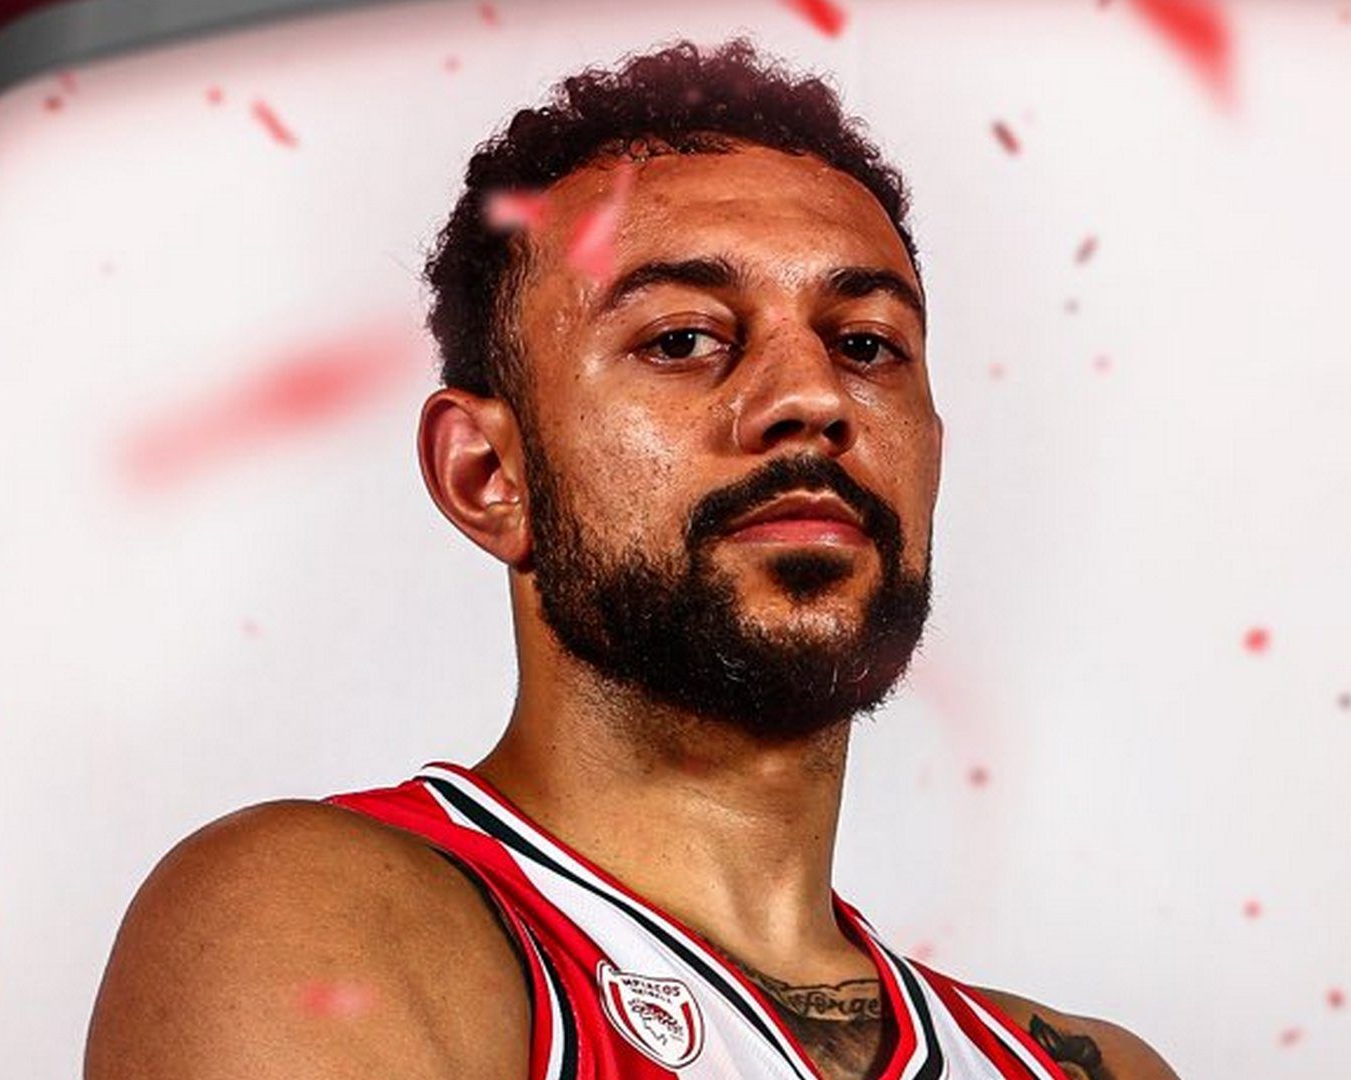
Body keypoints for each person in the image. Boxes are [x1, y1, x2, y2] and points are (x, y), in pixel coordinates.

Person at [85, 37, 1181, 1080]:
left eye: (863, 345)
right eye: (682, 339)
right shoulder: (316, 919)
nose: (812, 398)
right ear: (486, 472)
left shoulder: (1085, 1064)